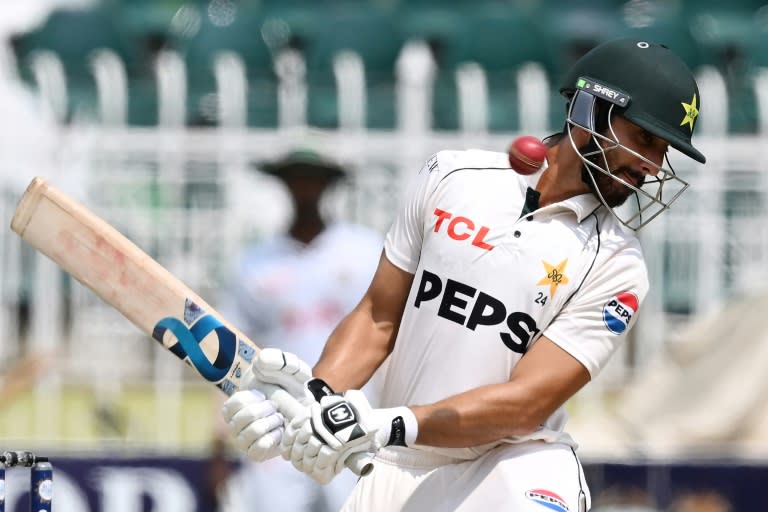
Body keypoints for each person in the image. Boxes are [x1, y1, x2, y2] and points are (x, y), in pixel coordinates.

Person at [221, 38, 706, 511]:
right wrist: (311, 399)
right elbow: (376, 319)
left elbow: (526, 404)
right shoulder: (451, 176)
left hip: (511, 464)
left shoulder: (618, 263)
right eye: (644, 138)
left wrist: (390, 423)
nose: (652, 167)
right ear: (587, 111)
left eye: (664, 150)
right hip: (396, 463)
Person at [217, 149, 383, 512]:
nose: (305, 188)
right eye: (297, 179)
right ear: (284, 185)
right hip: (277, 419)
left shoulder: (365, 251)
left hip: (353, 417)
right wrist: (218, 441)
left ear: (328, 185)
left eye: (313, 179)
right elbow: (233, 354)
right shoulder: (255, 263)